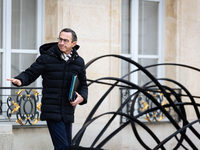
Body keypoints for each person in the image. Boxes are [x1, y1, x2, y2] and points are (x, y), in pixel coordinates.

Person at [7, 28, 88, 150]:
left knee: (67, 147)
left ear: (73, 44)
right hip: (52, 109)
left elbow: (83, 84)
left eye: (66, 41)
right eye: (60, 39)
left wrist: (81, 97)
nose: (61, 43)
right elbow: (31, 73)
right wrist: (20, 80)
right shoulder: (47, 57)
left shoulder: (78, 61)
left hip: (67, 111)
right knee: (63, 147)